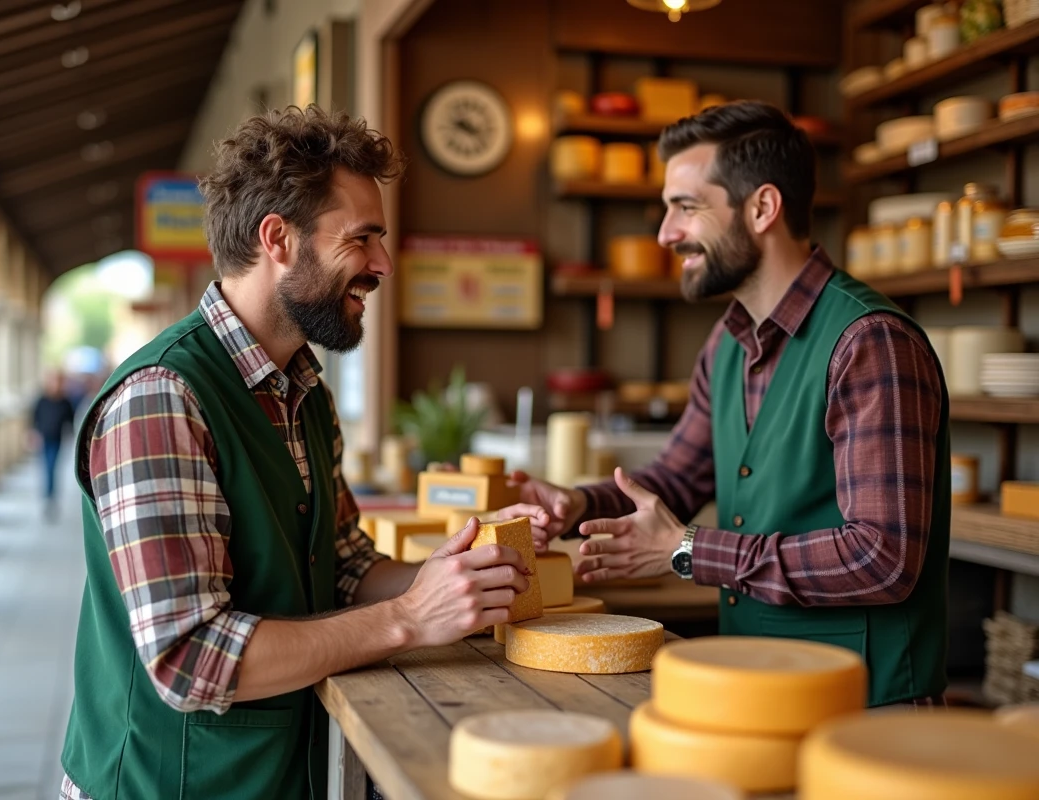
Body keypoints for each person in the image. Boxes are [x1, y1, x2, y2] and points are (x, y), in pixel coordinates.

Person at [58, 106, 530, 800]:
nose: (382, 265)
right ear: (277, 238)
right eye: (361, 239)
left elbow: (342, 567)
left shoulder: (304, 389)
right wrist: (409, 618)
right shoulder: (162, 397)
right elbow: (190, 659)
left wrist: (456, 574)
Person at [502, 101, 950, 708]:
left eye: (686, 207)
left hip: (868, 710)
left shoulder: (870, 341)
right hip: (759, 687)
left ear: (763, 208)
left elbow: (883, 558)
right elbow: (677, 480)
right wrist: (577, 502)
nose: (665, 234)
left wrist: (687, 549)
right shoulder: (728, 341)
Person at [32, 370, 77, 518]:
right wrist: (33, 433)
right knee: (47, 467)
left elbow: (71, 420)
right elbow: (34, 418)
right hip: (44, 438)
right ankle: (49, 495)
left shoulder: (65, 401)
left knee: (52, 466)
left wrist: (71, 436)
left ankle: (50, 496)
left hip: (57, 439)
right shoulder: (42, 400)